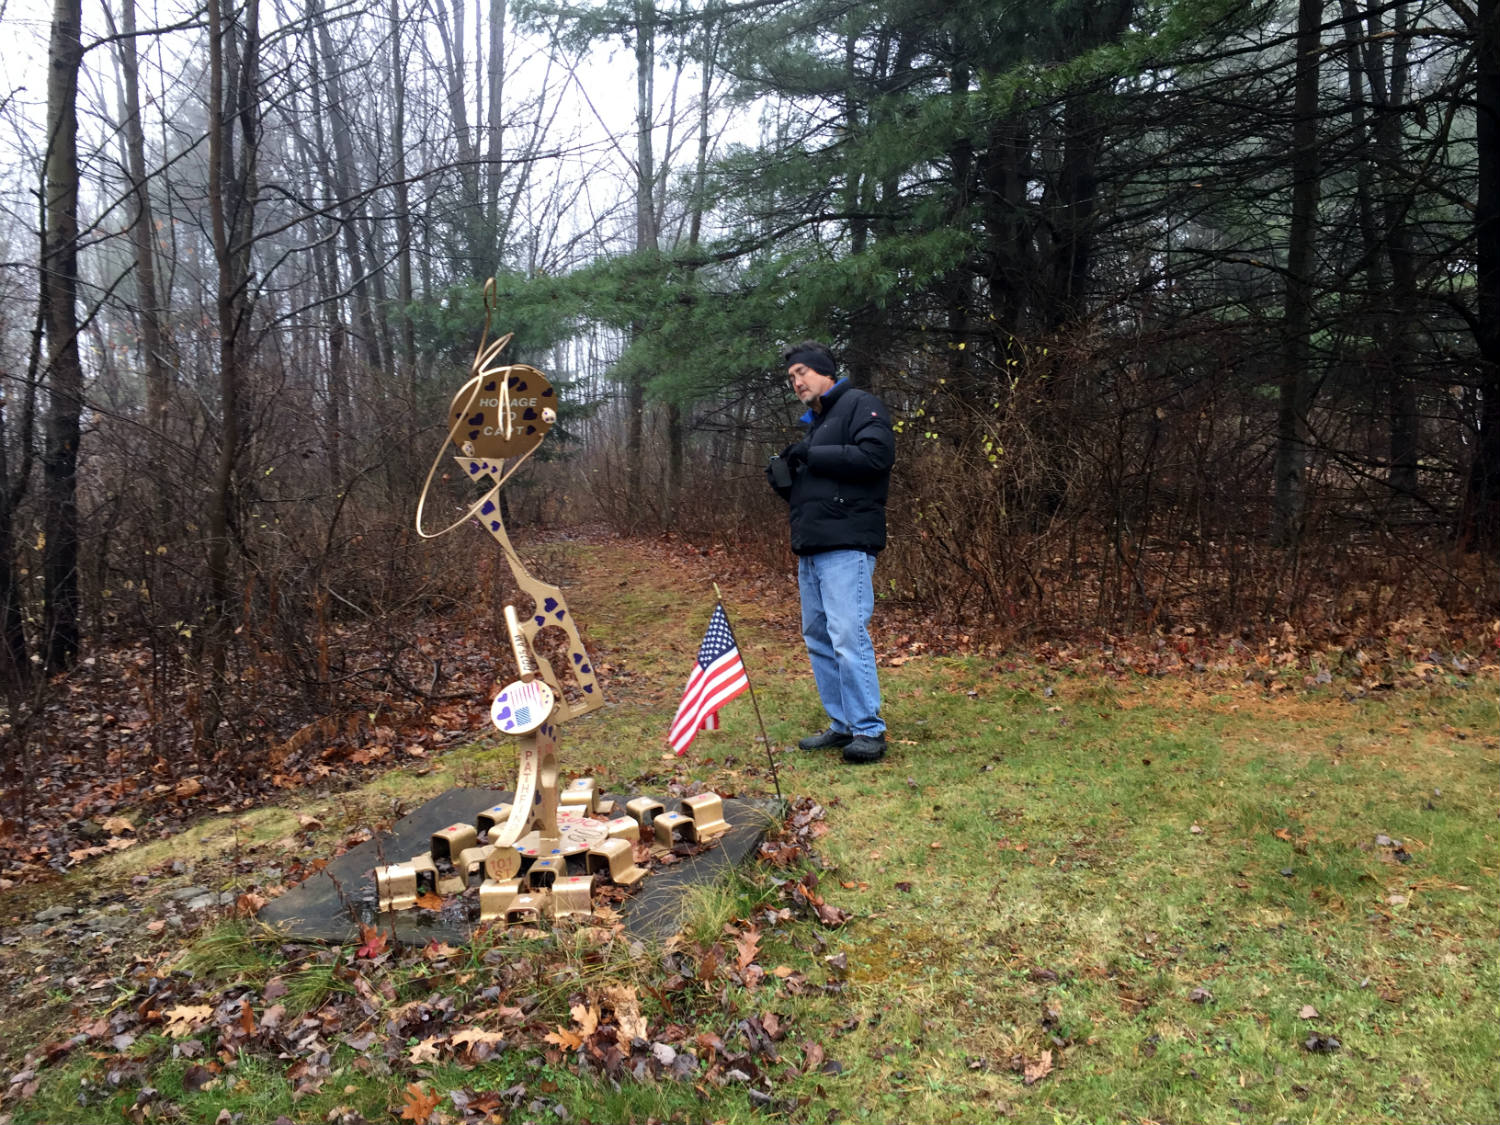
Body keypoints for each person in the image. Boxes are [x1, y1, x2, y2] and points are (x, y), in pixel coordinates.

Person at [766, 341, 895, 764]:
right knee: (819, 637)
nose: (796, 382)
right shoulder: (817, 423)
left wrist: (812, 454)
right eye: (791, 378)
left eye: (802, 372)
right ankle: (842, 725)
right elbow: (824, 485)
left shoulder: (859, 404)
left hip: (846, 544)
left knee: (846, 634)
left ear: (826, 372)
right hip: (813, 545)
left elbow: (877, 457)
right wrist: (787, 482)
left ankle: (869, 730)